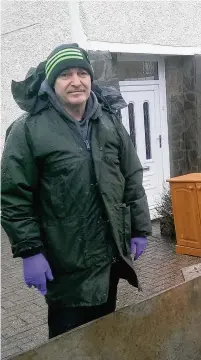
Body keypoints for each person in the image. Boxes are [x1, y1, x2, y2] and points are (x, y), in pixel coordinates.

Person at [1, 43, 152, 338]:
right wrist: (30, 250)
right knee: (68, 342)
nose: (76, 81)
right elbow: (13, 196)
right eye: (65, 75)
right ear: (51, 83)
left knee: (102, 333)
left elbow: (131, 177)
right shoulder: (28, 130)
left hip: (108, 255)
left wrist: (139, 227)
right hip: (64, 260)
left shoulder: (108, 121)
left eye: (82, 73)